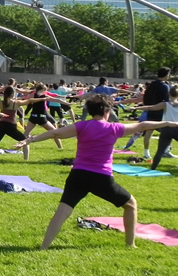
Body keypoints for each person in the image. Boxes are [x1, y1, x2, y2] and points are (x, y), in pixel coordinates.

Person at [15, 94, 178, 249]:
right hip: (101, 178)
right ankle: (130, 244)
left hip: (77, 175)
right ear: (107, 111)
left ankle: (44, 247)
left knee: (63, 211)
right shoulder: (114, 128)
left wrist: (30, 139)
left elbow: (56, 132)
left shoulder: (82, 125)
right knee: (131, 204)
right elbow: (142, 125)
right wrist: (168, 123)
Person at [134, 85, 178, 171]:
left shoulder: (165, 104)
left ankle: (153, 168)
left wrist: (136, 108)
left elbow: (150, 107)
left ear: (168, 94)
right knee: (160, 150)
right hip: (176, 128)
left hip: (166, 129)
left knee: (160, 151)